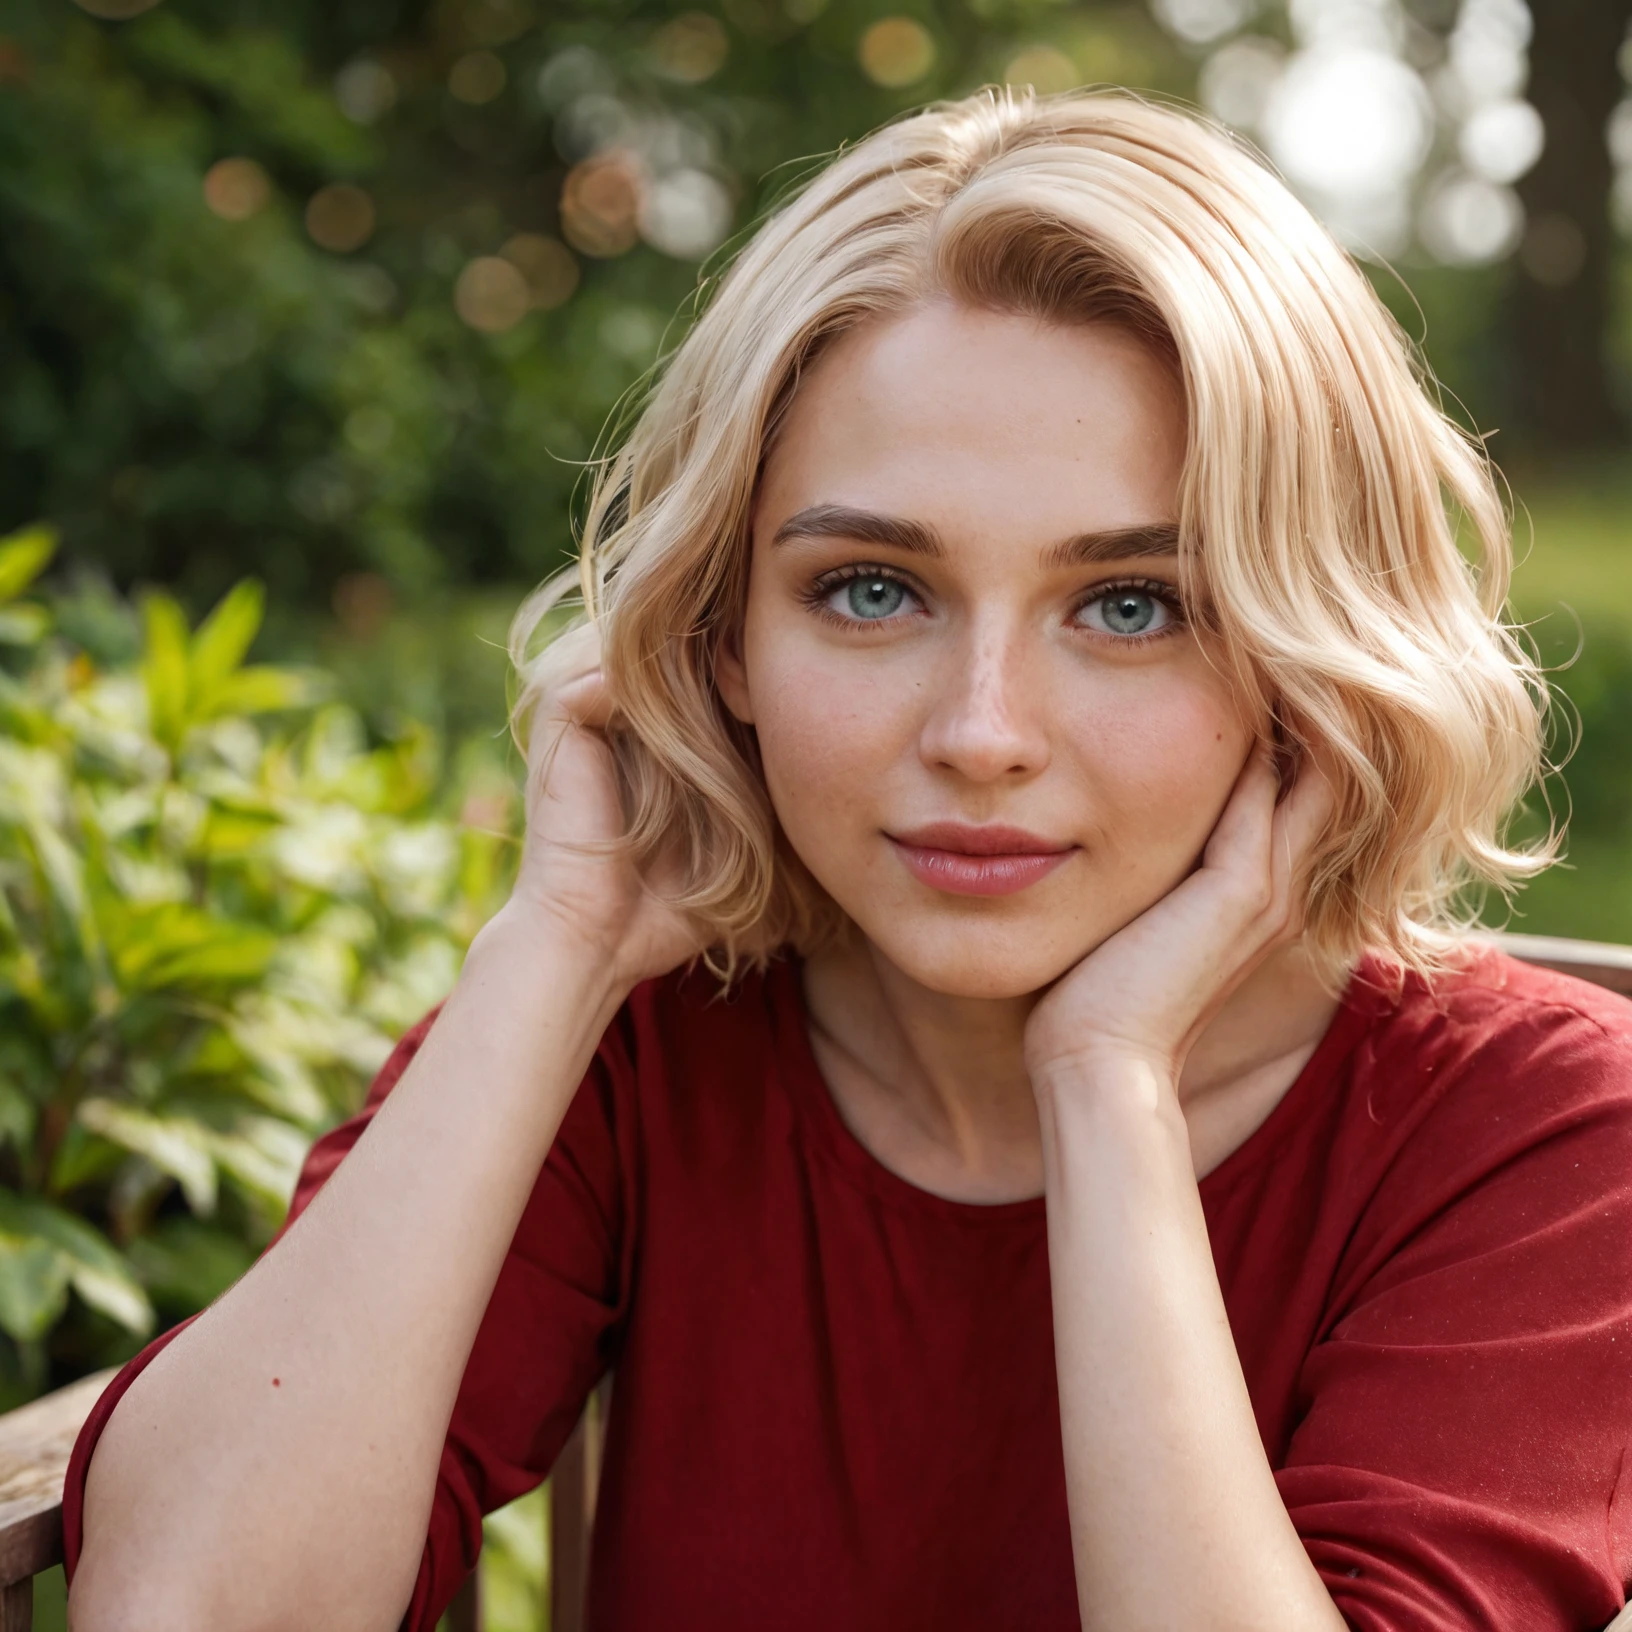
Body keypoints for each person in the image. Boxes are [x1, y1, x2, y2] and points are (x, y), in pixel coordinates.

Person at [65, 89, 1632, 1632]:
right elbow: (187, 1608)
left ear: (1309, 665)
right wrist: (553, 943)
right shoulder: (627, 1048)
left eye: (1133, 605)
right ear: (720, 636)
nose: (982, 733)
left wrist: (1102, 1083)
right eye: (874, 589)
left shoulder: (1548, 1137)